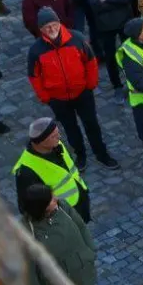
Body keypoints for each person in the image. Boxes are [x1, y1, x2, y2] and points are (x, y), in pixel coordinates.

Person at [26, 9, 118, 168]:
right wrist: (46, 97)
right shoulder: (36, 51)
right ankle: (80, 154)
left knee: (92, 124)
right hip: (58, 99)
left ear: (59, 23)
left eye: (54, 25)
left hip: (82, 93)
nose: (52, 29)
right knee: (70, 129)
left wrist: (90, 84)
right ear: (41, 30)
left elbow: (90, 62)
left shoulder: (77, 38)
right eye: (47, 27)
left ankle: (101, 153)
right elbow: (34, 77)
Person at [19, 181, 99, 285]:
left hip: (80, 281)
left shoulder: (62, 207)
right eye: (50, 199)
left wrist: (90, 251)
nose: (55, 198)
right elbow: (28, 270)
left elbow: (81, 226)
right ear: (40, 207)